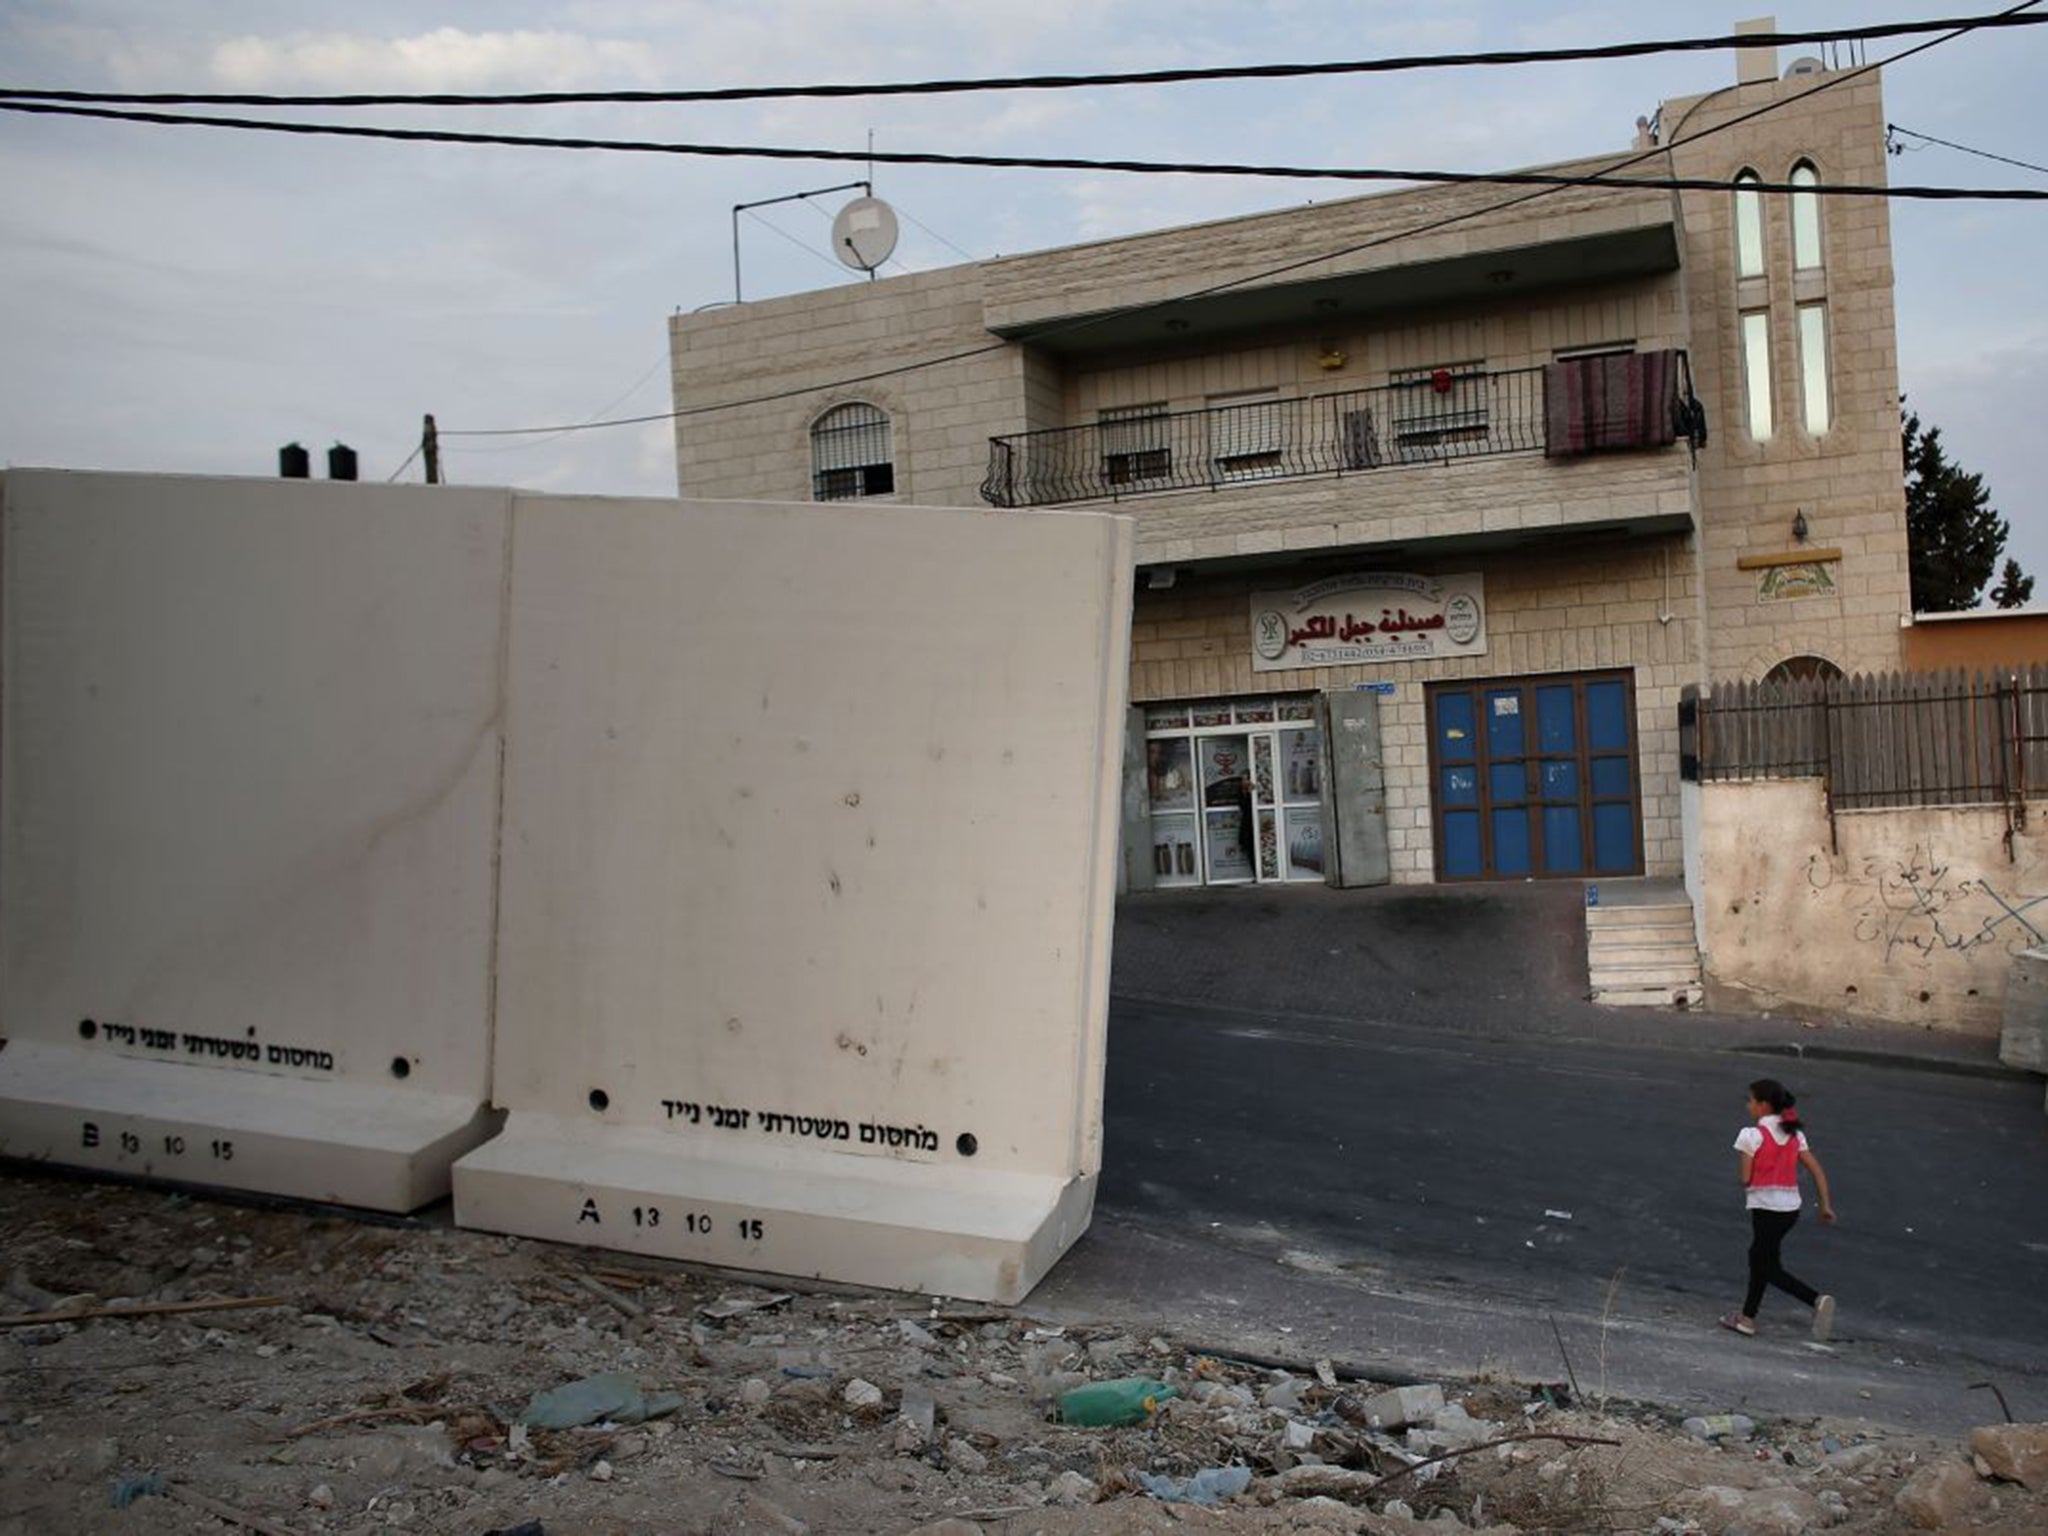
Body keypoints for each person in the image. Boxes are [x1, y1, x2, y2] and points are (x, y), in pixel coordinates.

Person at [1722, 1078, 1837, 1340]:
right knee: (1763, 1259)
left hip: (1765, 1209)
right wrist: (1825, 1205)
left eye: (1750, 1100)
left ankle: (1816, 1300)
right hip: (1790, 1211)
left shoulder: (1751, 1136)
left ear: (1763, 1106)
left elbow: (1745, 1179)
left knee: (1764, 1265)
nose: (1747, 1105)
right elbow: (1817, 1170)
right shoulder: (1795, 1135)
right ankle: (1747, 1319)